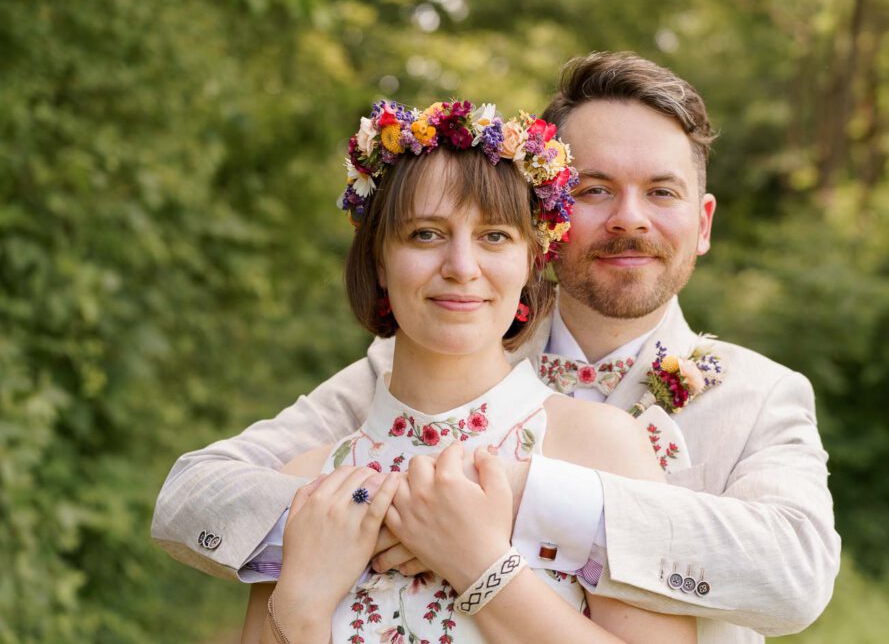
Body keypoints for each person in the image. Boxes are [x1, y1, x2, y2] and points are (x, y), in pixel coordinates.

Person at [153, 52, 841, 643]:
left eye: (661, 191)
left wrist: (520, 497)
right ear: (554, 219)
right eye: (598, 189)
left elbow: (798, 572)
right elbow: (195, 493)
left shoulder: (761, 395)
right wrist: (369, 518)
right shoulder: (410, 361)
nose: (630, 217)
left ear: (703, 221)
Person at [237, 99, 696, 643]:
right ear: (380, 261)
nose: (461, 267)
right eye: (425, 234)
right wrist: (303, 599)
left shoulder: (602, 448)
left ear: (531, 261)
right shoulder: (309, 482)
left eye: (494, 236)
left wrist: (479, 566)